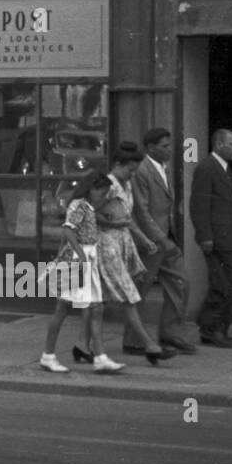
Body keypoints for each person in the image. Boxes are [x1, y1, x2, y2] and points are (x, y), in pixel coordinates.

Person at [72, 144, 176, 366]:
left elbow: (128, 218)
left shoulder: (126, 185)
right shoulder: (108, 186)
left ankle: (82, 344)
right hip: (105, 245)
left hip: (120, 245)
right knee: (128, 294)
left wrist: (144, 240)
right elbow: (88, 210)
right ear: (118, 164)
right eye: (129, 170)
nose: (132, 174)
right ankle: (149, 345)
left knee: (97, 298)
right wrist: (110, 221)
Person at [125, 127, 195, 354]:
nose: (169, 151)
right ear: (150, 148)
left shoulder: (163, 168)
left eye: (169, 145)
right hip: (151, 241)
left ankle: (170, 333)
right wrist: (159, 239)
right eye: (164, 147)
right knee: (141, 289)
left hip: (165, 237)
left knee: (181, 281)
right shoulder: (142, 171)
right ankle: (133, 340)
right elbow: (142, 211)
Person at [41, 173, 119, 373]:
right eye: (102, 192)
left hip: (84, 257)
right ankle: (48, 355)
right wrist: (81, 256)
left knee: (95, 308)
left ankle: (100, 357)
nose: (103, 197)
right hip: (79, 259)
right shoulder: (80, 205)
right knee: (64, 309)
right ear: (91, 189)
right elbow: (68, 230)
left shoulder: (85, 207)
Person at [191, 129, 232, 348]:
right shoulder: (207, 168)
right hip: (218, 239)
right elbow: (199, 206)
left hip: (230, 238)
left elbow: (230, 207)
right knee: (222, 285)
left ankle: (219, 328)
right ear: (219, 145)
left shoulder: (223, 169)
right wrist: (205, 237)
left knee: (231, 284)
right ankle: (210, 329)